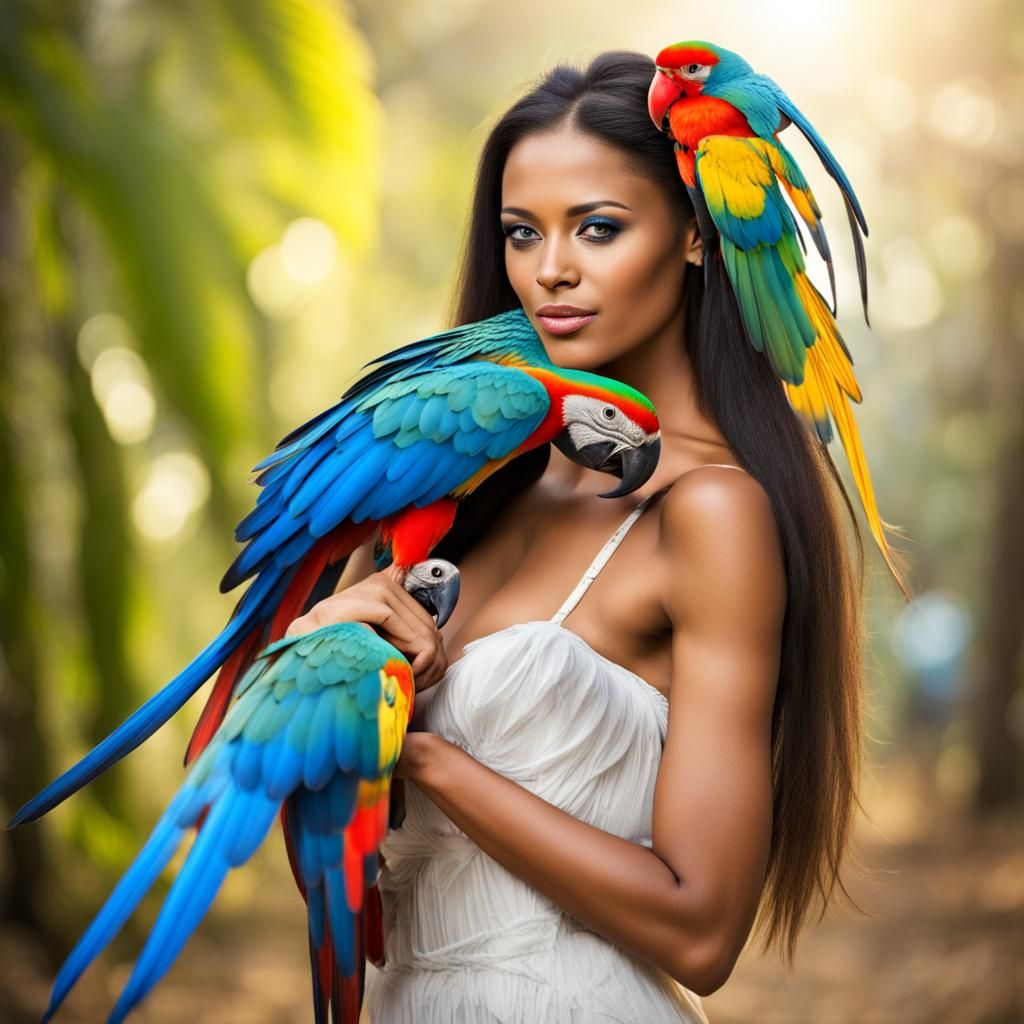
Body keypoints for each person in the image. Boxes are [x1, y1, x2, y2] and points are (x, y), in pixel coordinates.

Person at [287, 50, 865, 1022]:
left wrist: (426, 756)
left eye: (597, 228)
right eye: (522, 233)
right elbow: (340, 873)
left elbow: (703, 928)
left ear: (691, 235)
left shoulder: (711, 512)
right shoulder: (451, 494)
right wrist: (321, 676)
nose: (549, 270)